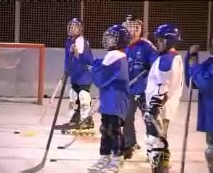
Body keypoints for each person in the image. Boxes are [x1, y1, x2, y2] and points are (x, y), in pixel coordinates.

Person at [87, 24, 130, 173]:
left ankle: (117, 158)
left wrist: (94, 68)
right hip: (109, 99)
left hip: (116, 100)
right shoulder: (113, 55)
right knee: (106, 129)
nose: (109, 40)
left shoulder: (117, 56)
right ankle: (105, 156)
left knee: (113, 129)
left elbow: (101, 78)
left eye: (113, 38)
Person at [144, 24, 184, 172]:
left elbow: (163, 85)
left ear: (170, 41)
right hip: (165, 107)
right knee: (154, 138)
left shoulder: (166, 60)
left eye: (161, 41)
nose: (158, 43)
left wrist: (154, 106)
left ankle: (160, 169)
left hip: (161, 108)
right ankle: (162, 166)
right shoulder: (173, 57)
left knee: (156, 141)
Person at [121, 14, 158, 159]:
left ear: (139, 29)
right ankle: (129, 144)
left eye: (134, 28)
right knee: (126, 116)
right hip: (129, 89)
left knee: (148, 117)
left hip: (143, 90)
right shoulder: (122, 46)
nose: (131, 31)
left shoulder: (146, 46)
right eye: (128, 27)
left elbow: (156, 64)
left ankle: (154, 146)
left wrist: (151, 67)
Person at [184, 37, 213, 173]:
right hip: (210, 114)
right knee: (211, 150)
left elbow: (207, 85)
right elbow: (192, 81)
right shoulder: (209, 62)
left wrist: (195, 68)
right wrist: (191, 57)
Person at [64, 18, 94, 134]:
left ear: (80, 29)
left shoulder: (82, 41)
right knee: (73, 95)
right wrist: (66, 70)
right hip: (75, 74)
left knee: (83, 95)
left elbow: (88, 59)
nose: (72, 29)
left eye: (75, 27)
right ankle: (75, 117)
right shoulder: (68, 41)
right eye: (71, 26)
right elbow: (67, 58)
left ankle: (86, 119)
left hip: (84, 73)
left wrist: (77, 53)